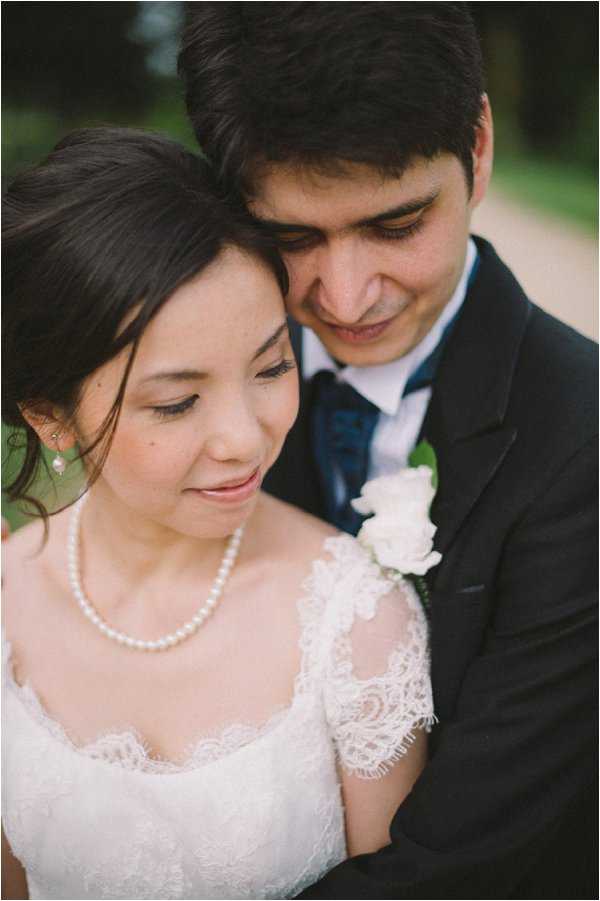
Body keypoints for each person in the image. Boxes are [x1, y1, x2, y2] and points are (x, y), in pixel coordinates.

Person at [178, 3, 598, 898]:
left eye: (397, 226)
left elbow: (469, 857)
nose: (345, 294)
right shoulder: (184, 393)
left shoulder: (582, 435)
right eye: (292, 237)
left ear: (477, 148)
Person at [1, 128, 435, 900]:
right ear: (49, 417)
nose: (244, 438)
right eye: (177, 401)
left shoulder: (358, 621)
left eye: (272, 365)